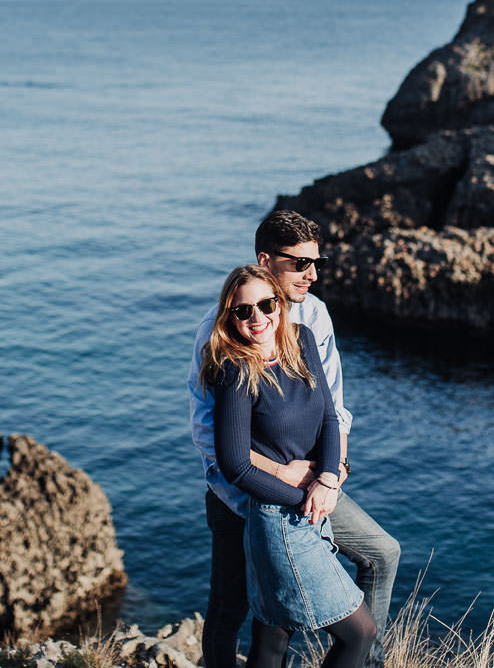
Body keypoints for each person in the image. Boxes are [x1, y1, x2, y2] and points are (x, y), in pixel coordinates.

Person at [188, 210, 400, 668]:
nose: (312, 274)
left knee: (380, 555)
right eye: (300, 263)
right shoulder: (221, 334)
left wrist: (331, 474)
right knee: (236, 609)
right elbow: (214, 440)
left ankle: (368, 663)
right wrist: (285, 477)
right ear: (266, 260)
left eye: (316, 262)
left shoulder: (312, 322)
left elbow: (333, 408)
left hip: (313, 485)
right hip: (238, 499)